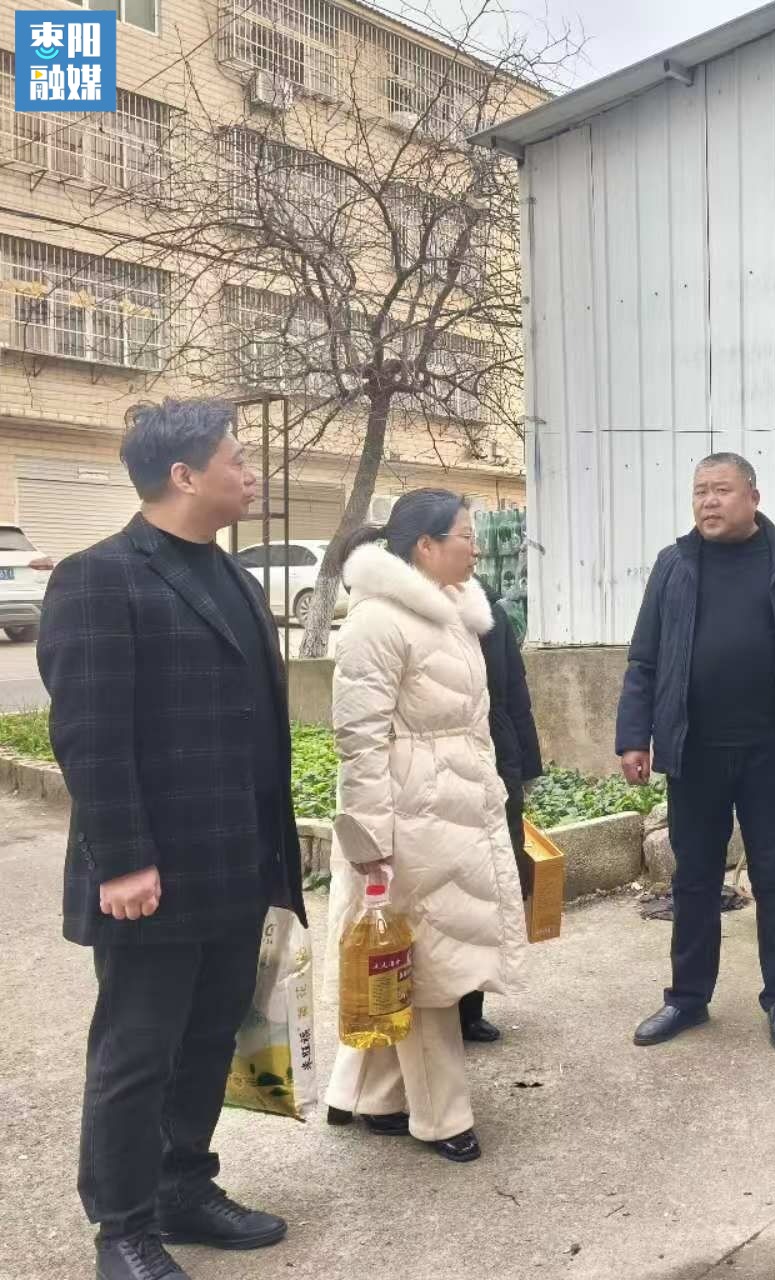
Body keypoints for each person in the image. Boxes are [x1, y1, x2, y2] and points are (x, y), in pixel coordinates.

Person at [39, 399, 304, 1280]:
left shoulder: (232, 578)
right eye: (237, 459)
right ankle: (122, 1230)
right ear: (185, 475)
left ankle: (183, 1187)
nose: (251, 473)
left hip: (237, 861)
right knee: (136, 1054)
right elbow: (89, 734)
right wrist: (122, 860)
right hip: (151, 873)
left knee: (210, 1037)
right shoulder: (98, 577)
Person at [616, 453, 775, 1053]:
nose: (708, 501)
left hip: (771, 752)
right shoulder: (674, 565)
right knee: (694, 879)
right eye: (700, 490)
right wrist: (634, 736)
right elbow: (644, 658)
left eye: (721, 490)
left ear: (753, 496)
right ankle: (687, 998)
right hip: (694, 750)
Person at [321, 489, 526, 1164]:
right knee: (427, 966)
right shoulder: (377, 622)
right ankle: (442, 1116)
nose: (476, 546)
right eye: (465, 534)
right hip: (410, 813)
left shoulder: (452, 612)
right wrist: (369, 840)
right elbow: (359, 739)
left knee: (412, 956)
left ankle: (369, 1094)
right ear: (426, 546)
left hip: (454, 805)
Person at [459, 579, 545, 1044]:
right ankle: (436, 1006)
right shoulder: (408, 612)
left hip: (497, 761)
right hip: (444, 770)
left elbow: (515, 693)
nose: (473, 550)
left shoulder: (490, 613)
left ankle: (471, 1008)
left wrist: (526, 768)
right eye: (464, 543)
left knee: (491, 886)